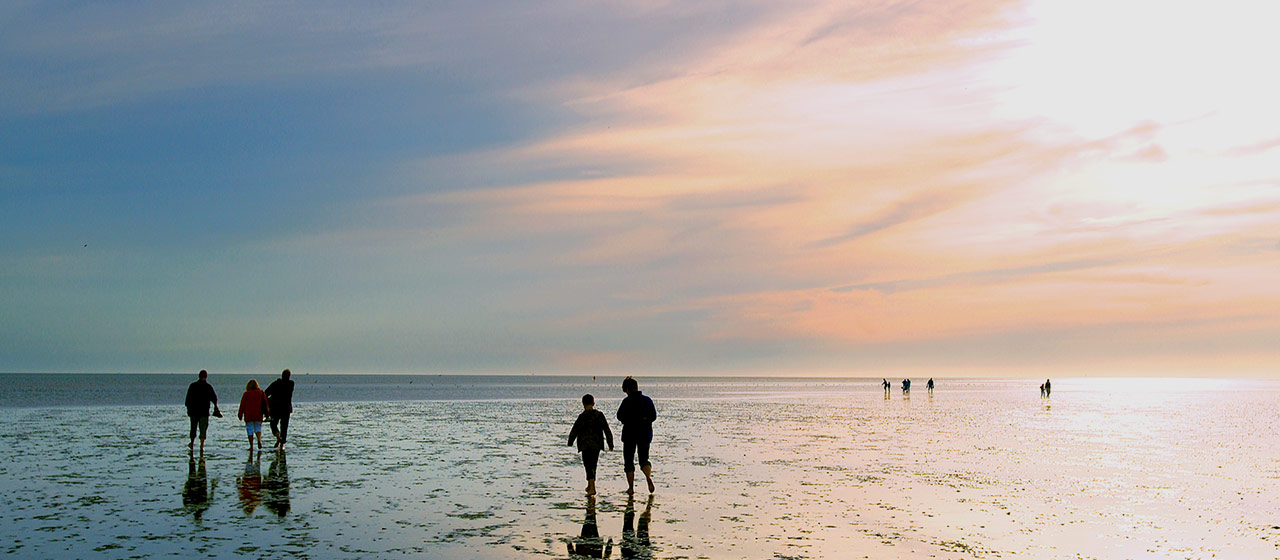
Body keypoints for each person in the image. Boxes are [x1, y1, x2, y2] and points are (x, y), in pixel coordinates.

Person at [616, 377, 657, 494]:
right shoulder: (647, 400)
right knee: (644, 460)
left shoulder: (626, 401)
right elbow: (654, 416)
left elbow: (619, 416)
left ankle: (631, 488)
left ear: (627, 389)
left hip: (629, 434)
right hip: (645, 433)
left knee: (629, 461)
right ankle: (648, 477)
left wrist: (628, 420)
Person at [568, 393, 614, 495]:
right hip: (596, 444)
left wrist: (570, 441)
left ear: (583, 404)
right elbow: (606, 429)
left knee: (587, 465)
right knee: (593, 464)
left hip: (585, 444)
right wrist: (610, 442)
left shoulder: (582, 416)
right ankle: (590, 485)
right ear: (593, 403)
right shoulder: (599, 415)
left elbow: (574, 430)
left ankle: (592, 487)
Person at [184, 370, 221, 453]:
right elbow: (214, 398)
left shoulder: (193, 386)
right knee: (203, 429)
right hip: (204, 412)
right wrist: (215, 406)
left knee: (193, 428)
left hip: (194, 412)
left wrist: (188, 410)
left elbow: (187, 400)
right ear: (206, 376)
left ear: (199, 376)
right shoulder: (208, 387)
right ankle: (202, 445)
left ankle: (192, 443)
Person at [265, 369, 295, 450]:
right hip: (286, 408)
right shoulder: (291, 384)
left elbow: (266, 393)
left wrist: (269, 401)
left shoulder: (275, 384)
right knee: (284, 426)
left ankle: (277, 435)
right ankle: (282, 444)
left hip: (275, 408)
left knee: (273, 424)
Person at [238, 379, 270, 452]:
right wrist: (267, 414)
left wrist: (240, 414)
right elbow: (266, 404)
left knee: (250, 429)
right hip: (258, 414)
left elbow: (242, 405)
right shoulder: (261, 393)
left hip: (249, 415)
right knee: (258, 428)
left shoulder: (246, 394)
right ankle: (258, 440)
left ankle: (251, 446)